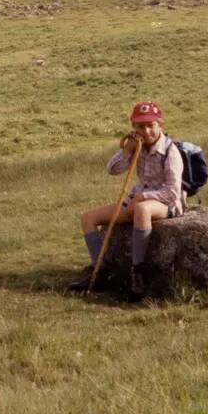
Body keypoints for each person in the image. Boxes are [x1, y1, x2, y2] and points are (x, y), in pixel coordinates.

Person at [68, 101, 185, 297]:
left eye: (151, 125)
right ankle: (101, 272)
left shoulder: (171, 152)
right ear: (134, 127)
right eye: (140, 126)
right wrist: (127, 151)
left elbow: (172, 192)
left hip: (166, 204)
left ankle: (138, 274)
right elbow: (112, 170)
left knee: (143, 210)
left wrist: (143, 197)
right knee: (88, 218)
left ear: (160, 125)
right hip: (137, 200)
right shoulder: (137, 146)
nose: (146, 131)